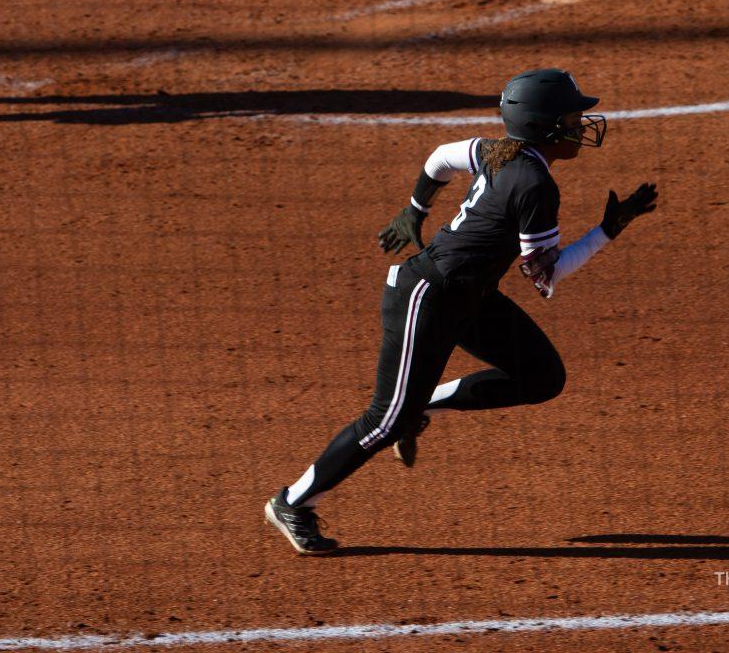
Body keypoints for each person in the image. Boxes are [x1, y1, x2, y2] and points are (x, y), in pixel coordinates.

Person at [264, 68, 658, 554]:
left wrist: (416, 208)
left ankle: (422, 404)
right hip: (426, 296)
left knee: (540, 377)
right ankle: (293, 502)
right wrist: (606, 232)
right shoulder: (535, 185)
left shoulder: (496, 150)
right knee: (385, 421)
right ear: (544, 126)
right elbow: (545, 275)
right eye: (573, 117)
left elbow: (438, 159)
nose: (581, 125)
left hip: (471, 297)